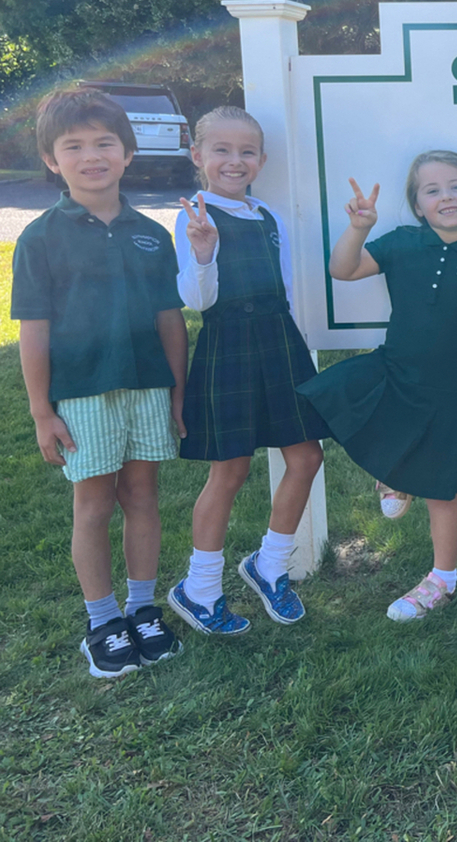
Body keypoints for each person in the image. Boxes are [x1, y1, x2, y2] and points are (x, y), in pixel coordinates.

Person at [12, 88, 187, 677]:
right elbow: (33, 332)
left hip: (146, 386)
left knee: (142, 496)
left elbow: (170, 320)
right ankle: (103, 620)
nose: (92, 155)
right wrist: (42, 410)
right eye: (74, 146)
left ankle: (142, 609)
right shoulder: (40, 238)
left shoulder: (151, 234)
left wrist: (178, 388)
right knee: (93, 503)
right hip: (82, 390)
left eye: (104, 143)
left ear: (128, 153)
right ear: (52, 160)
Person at [296, 151, 457, 621]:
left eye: (456, 186)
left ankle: (442, 580)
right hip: (393, 371)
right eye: (431, 190)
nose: (445, 196)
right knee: (323, 400)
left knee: (442, 490)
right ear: (417, 206)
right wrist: (359, 227)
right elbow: (343, 270)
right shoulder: (400, 243)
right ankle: (394, 475)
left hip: (454, 389)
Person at [165, 106, 332, 636]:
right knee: (230, 469)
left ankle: (269, 565)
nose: (234, 161)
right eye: (221, 150)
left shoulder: (268, 216)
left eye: (246, 152)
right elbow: (196, 300)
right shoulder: (194, 216)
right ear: (198, 156)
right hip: (227, 344)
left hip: (278, 342)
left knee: (306, 456)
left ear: (260, 160)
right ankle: (200, 588)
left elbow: (280, 287)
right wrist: (204, 253)